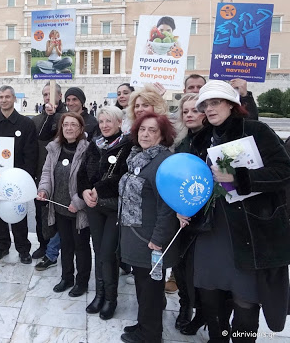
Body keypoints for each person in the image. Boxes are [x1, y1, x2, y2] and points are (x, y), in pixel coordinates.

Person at [184, 80, 290, 341]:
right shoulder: (201, 139)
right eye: (205, 104)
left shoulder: (256, 130)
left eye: (215, 102)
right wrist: (184, 206)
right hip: (211, 230)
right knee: (210, 299)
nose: (209, 109)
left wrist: (238, 177)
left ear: (232, 105)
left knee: (245, 302)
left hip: (247, 232)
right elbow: (194, 180)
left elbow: (284, 171)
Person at [118, 112, 179, 343]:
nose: (145, 134)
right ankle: (143, 324)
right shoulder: (140, 157)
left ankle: (152, 334)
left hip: (151, 239)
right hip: (136, 234)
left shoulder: (163, 162)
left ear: (162, 135)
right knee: (143, 286)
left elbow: (167, 206)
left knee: (152, 290)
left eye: (152, 130)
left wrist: (158, 239)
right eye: (142, 129)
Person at [77, 106, 133, 320]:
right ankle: (99, 295)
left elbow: (123, 177)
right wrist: (84, 191)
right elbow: (82, 173)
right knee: (99, 251)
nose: (105, 125)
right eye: (101, 122)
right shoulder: (95, 144)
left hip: (113, 207)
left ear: (119, 123)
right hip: (94, 206)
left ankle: (111, 298)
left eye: (109, 121)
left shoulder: (127, 145)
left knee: (109, 253)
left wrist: (97, 189)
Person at [0, 85, 38, 263]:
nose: (4, 100)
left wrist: (26, 178)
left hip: (17, 179)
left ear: (14, 99)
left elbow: (31, 153)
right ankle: (2, 246)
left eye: (7, 97)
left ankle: (23, 248)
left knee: (19, 215)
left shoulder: (26, 124)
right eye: (1, 97)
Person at [37, 112, 91, 297]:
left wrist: (79, 202)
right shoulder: (54, 148)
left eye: (73, 125)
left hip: (78, 210)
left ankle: (81, 281)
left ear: (81, 129)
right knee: (66, 246)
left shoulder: (88, 150)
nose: (69, 128)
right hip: (59, 207)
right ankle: (66, 277)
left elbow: (90, 181)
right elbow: (46, 173)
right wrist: (43, 190)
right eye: (65, 124)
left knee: (81, 248)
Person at [170, 94, 206, 333]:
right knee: (181, 266)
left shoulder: (213, 140)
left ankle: (204, 312)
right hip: (182, 214)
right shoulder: (181, 142)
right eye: (186, 111)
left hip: (207, 215)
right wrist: (177, 210)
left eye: (195, 110)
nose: (190, 115)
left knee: (201, 269)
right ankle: (186, 307)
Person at [31, 82, 65, 259]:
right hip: (41, 173)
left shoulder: (67, 118)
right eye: (44, 95)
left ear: (59, 96)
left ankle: (58, 248)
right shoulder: (37, 120)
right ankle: (43, 245)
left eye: (50, 94)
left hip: (62, 174)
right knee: (41, 213)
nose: (47, 98)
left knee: (60, 215)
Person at [184, 74, 259, 120]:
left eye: (215, 103)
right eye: (191, 87)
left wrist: (245, 96)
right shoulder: (202, 137)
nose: (195, 90)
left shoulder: (241, 125)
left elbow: (251, 122)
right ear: (184, 91)